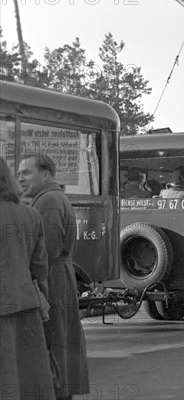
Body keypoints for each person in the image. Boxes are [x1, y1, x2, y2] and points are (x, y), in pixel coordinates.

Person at [17, 154, 89, 400]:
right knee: (60, 339)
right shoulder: (52, 197)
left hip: (52, 277)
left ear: (46, 174)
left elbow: (47, 248)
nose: (20, 178)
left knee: (51, 339)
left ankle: (57, 391)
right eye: (18, 173)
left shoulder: (47, 200)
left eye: (27, 172)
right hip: (58, 275)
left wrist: (36, 286)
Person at [1, 157, 56, 400]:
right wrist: (40, 300)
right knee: (24, 379)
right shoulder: (30, 215)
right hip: (25, 307)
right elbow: (39, 269)